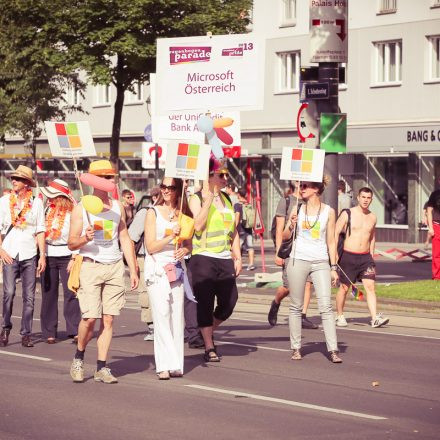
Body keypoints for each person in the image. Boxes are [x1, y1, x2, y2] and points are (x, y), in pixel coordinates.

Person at [68, 160, 139, 384]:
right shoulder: (81, 208)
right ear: (96, 180)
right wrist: (84, 238)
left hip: (114, 267)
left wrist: (134, 269)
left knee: (108, 320)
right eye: (107, 177)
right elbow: (71, 243)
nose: (112, 181)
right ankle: (79, 357)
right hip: (90, 266)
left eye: (113, 177)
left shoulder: (118, 207)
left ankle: (102, 367)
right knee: (89, 319)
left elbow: (124, 238)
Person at [189, 158, 241, 363]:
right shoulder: (197, 198)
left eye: (226, 175)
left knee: (230, 302)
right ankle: (209, 346)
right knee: (205, 303)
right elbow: (198, 226)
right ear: (208, 176)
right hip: (203, 257)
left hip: (224, 257)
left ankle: (205, 329)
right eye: (221, 175)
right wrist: (208, 199)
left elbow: (233, 230)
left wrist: (236, 255)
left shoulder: (228, 199)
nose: (225, 178)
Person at [284, 178, 342, 363]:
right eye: (300, 186)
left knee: (326, 306)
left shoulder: (329, 211)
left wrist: (333, 267)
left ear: (316, 189)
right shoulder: (297, 208)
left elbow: (331, 241)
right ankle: (296, 347)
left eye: (304, 186)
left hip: (320, 261)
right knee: (296, 306)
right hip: (297, 259)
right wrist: (291, 224)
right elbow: (285, 235)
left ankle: (333, 349)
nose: (300, 189)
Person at [144, 177, 192, 379]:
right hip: (157, 269)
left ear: (177, 190)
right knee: (161, 315)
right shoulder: (152, 212)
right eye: (163, 186)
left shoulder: (183, 213)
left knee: (176, 317)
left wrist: (185, 251)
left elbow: (189, 245)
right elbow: (151, 247)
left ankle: (176, 364)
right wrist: (171, 236)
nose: (165, 190)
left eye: (170, 187)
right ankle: (163, 364)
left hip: (176, 269)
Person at [0, 165, 46, 348]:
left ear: (27, 183)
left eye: (18, 179)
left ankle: (26, 333)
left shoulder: (37, 202)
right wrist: (1, 250)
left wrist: (42, 256)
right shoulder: (4, 201)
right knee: (9, 292)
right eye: (13, 178)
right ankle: (5, 328)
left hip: (29, 254)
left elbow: (41, 230)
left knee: (29, 297)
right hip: (9, 253)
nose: (14, 181)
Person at [335, 187, 390, 328]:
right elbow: (335, 233)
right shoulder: (348, 213)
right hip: (348, 256)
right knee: (344, 288)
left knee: (370, 287)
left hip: (365, 258)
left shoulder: (373, 217)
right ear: (358, 198)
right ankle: (340, 315)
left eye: (368, 198)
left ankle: (374, 318)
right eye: (363, 197)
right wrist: (334, 254)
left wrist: (371, 257)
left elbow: (372, 238)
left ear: (371, 199)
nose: (365, 200)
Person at [268, 182, 318, 330]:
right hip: (290, 250)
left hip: (308, 250)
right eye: (300, 183)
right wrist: (279, 252)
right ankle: (276, 302)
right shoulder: (287, 201)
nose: (302, 186)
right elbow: (279, 229)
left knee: (307, 283)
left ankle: (302, 316)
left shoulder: (312, 202)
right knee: (289, 287)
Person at [40, 179, 81, 344]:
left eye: (52, 196)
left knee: (71, 291)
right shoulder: (46, 210)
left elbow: (77, 235)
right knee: (49, 293)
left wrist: (74, 257)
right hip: (49, 254)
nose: (49, 198)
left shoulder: (72, 212)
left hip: (67, 253)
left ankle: (74, 329)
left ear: (60, 197)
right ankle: (49, 331)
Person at [234, 188, 256, 270]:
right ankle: (251, 264)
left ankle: (237, 262)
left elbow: (237, 217)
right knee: (250, 246)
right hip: (249, 229)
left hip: (241, 229)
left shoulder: (237, 205)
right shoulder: (249, 204)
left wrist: (234, 228)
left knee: (238, 246)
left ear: (238, 195)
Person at [426, 178, 440, 279]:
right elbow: (429, 210)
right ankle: (437, 277)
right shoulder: (435, 194)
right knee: (437, 254)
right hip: (437, 226)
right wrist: (431, 228)